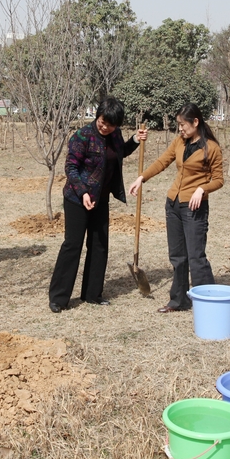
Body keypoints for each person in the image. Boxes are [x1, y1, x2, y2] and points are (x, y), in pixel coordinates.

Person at [48, 97, 147, 313]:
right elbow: (71, 168)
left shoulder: (115, 135)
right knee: (72, 245)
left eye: (110, 124)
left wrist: (135, 140)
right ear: (98, 116)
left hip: (101, 199)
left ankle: (93, 293)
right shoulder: (82, 136)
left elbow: (119, 153)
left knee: (99, 245)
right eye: (102, 121)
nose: (105, 127)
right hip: (77, 198)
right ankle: (59, 297)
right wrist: (83, 192)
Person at [128, 103, 224, 313]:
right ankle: (179, 300)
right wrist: (142, 178)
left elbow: (218, 180)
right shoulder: (180, 142)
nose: (180, 129)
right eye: (178, 125)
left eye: (183, 124)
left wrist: (202, 189)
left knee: (196, 256)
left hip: (194, 208)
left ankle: (208, 303)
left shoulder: (212, 148)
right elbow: (163, 161)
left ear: (195, 122)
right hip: (173, 205)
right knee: (177, 256)